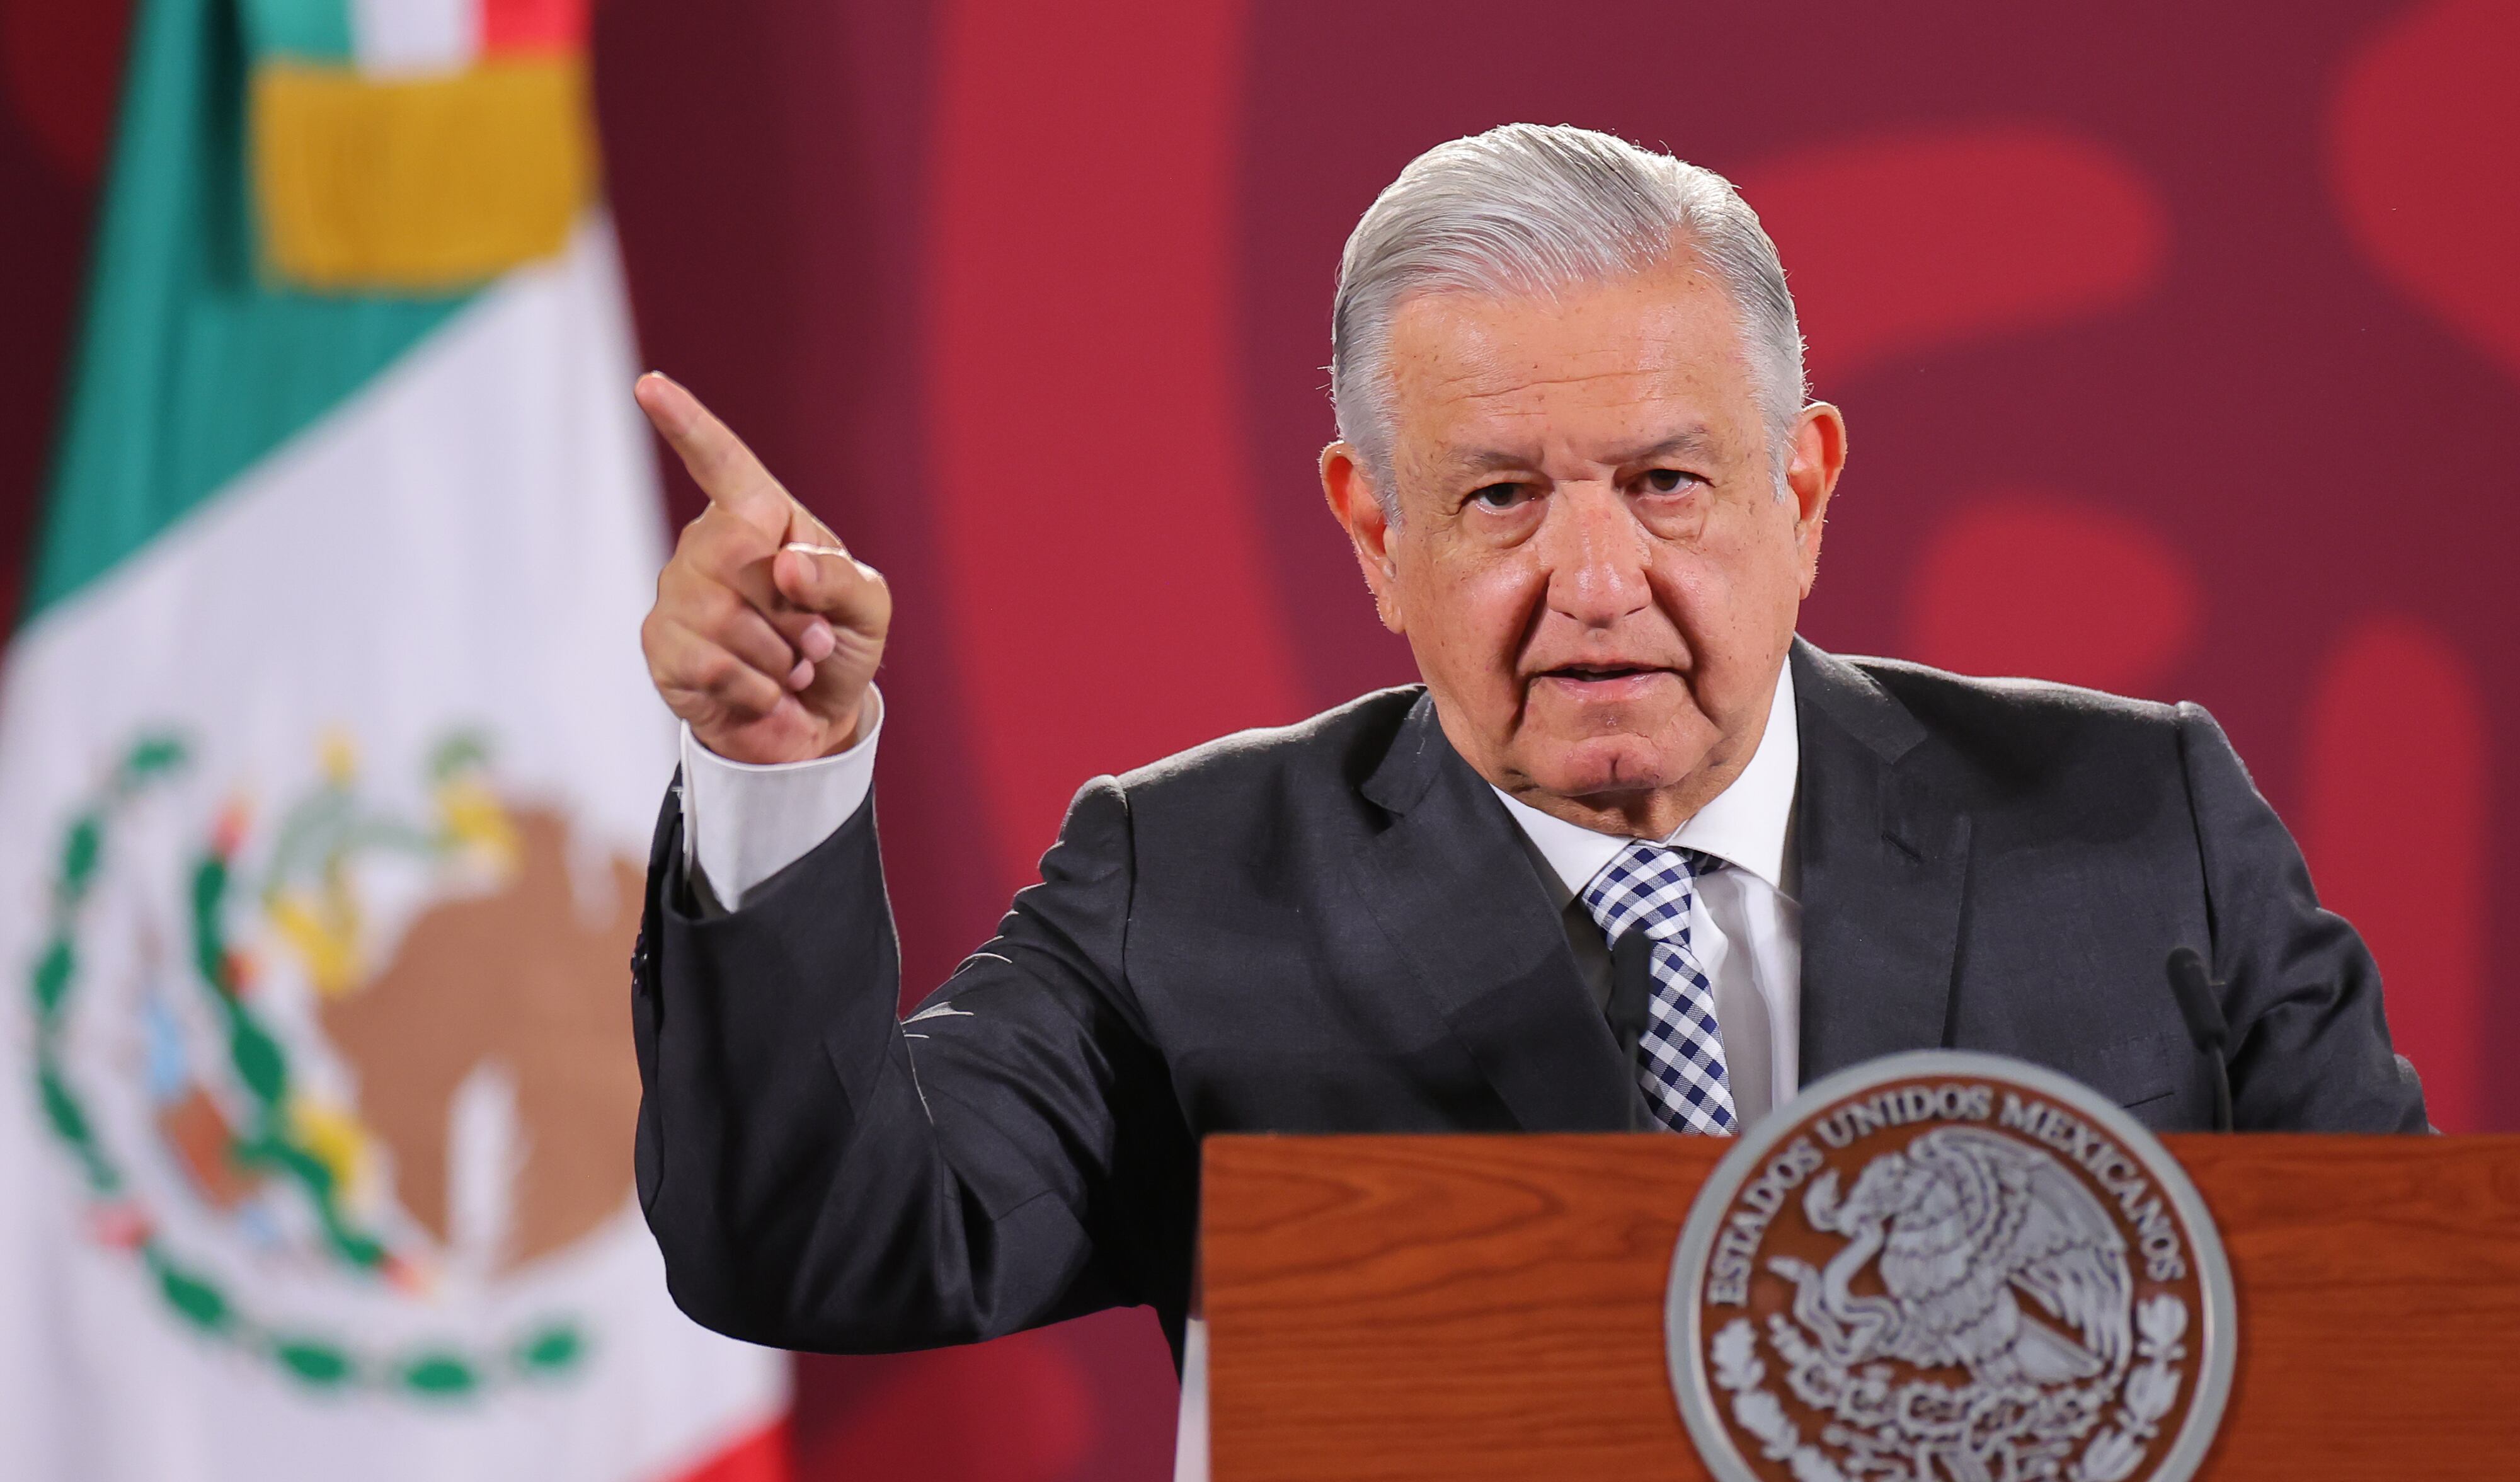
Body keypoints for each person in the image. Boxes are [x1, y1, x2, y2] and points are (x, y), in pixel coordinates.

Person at [626, 123, 2422, 1362]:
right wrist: (773, 774)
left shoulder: (2139, 828)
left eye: (1665, 483)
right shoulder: (1186, 890)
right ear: (1371, 530)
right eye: (1500, 496)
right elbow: (824, 1242)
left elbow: (2402, 1352)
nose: (1594, 579)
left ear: (1802, 490)